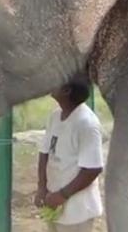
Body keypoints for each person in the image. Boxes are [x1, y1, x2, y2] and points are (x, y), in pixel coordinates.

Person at [35, 82, 104, 232]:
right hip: (54, 200)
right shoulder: (55, 116)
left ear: (66, 90)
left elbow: (93, 169)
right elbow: (45, 152)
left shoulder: (87, 124)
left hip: (77, 209)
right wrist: (42, 187)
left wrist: (62, 195)